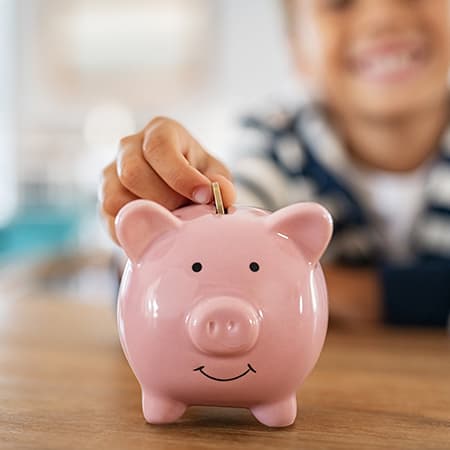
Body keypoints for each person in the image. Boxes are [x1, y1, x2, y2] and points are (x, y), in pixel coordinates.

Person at [99, 0, 450, 327]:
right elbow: (200, 284)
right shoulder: (273, 144)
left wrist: (352, 296)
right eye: (338, 2)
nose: (383, 16)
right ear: (297, 50)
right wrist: (165, 221)